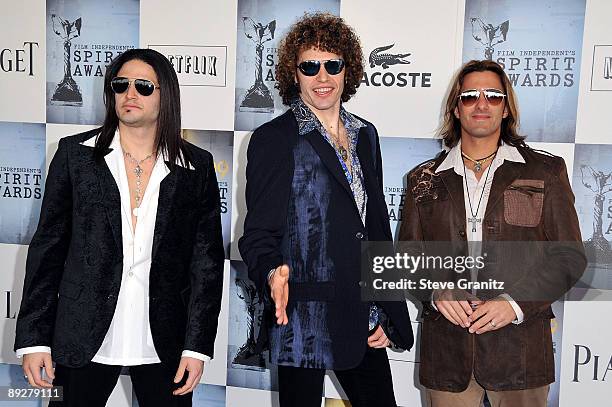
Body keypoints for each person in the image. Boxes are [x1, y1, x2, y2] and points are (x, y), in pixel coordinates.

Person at [14, 48, 225, 407]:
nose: (130, 94)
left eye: (144, 86)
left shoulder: (196, 167)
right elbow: (47, 250)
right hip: (83, 335)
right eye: (120, 84)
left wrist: (197, 347)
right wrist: (34, 339)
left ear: (166, 95)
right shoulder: (74, 155)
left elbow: (206, 265)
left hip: (164, 340)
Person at [238, 13, 413, 407]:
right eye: (309, 66)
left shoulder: (366, 135)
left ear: (347, 70)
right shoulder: (274, 140)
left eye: (332, 65)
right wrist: (271, 272)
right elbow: (258, 235)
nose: (322, 77)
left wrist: (386, 311)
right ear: (293, 73)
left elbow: (376, 229)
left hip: (362, 316)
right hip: (302, 320)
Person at [398, 59, 586, 407]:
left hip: (521, 352)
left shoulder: (546, 171)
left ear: (506, 108)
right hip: (448, 355)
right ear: (456, 108)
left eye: (493, 96)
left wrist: (514, 304)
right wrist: (436, 291)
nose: (481, 103)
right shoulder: (423, 179)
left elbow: (569, 257)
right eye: (469, 96)